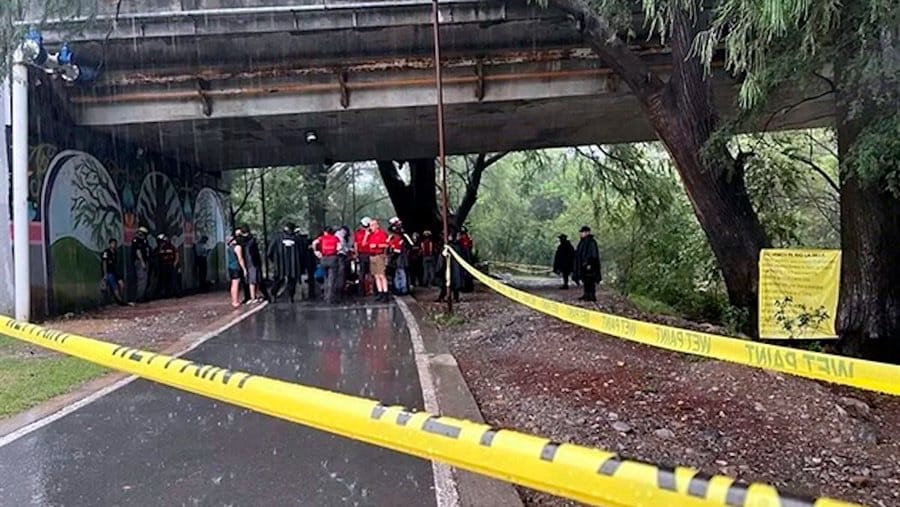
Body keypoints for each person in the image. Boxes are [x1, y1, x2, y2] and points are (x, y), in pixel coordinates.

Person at [268, 223, 302, 303]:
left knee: (279, 279)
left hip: (280, 263)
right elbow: (301, 252)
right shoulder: (296, 239)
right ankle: (290, 296)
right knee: (292, 279)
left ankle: (273, 294)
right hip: (293, 264)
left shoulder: (277, 238)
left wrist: (274, 261)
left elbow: (270, 251)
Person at [312, 226, 341, 303]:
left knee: (325, 278)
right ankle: (330, 298)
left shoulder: (321, 238)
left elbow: (314, 243)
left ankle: (325, 296)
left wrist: (316, 252)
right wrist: (336, 252)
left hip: (324, 259)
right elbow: (339, 248)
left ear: (325, 232)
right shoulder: (335, 238)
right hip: (333, 258)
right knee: (332, 279)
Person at [237, 226, 264, 303]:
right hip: (253, 261)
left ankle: (252, 297)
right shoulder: (252, 240)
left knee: (251, 280)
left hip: (247, 261)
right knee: (254, 280)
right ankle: (253, 297)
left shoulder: (241, 241)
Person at [365, 219, 390, 302]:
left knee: (382, 275)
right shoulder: (370, 235)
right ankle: (380, 292)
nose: (371, 227)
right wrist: (366, 235)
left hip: (379, 255)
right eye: (370, 225)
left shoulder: (382, 234)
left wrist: (376, 245)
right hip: (372, 256)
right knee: (376, 275)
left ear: (377, 226)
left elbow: (386, 244)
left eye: (372, 225)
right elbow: (364, 244)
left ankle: (385, 293)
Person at [574, 225, 601, 302]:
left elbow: (593, 254)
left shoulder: (591, 242)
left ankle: (591, 295)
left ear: (587, 232)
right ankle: (586, 294)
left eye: (583, 232)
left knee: (590, 280)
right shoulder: (583, 242)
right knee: (585, 280)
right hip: (583, 264)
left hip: (590, 265)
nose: (581, 234)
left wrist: (589, 263)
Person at [436, 233, 463, 303]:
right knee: (447, 283)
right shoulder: (448, 246)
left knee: (451, 283)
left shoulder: (454, 247)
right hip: (447, 268)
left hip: (452, 268)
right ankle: (445, 297)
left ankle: (453, 298)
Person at [101, 238, 128, 306]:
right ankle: (120, 301)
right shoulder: (106, 252)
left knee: (121, 284)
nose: (114, 245)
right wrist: (105, 274)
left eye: (115, 244)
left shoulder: (115, 253)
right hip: (109, 273)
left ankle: (120, 298)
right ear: (110, 244)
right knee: (114, 287)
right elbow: (104, 263)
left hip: (114, 272)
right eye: (112, 244)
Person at [156, 233, 181, 299]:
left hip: (171, 265)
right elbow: (157, 256)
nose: (161, 243)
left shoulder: (171, 246)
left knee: (173, 280)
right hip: (163, 266)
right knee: (165, 280)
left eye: (161, 241)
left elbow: (177, 254)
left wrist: (175, 263)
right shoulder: (159, 248)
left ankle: (177, 293)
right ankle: (167, 294)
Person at [131, 226, 151, 302]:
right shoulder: (136, 240)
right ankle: (139, 297)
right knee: (142, 279)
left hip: (145, 261)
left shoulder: (144, 241)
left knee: (145, 279)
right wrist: (142, 262)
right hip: (140, 262)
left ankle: (143, 295)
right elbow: (138, 252)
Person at [354, 217, 372, 296]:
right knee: (369, 273)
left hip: (362, 254)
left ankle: (361, 291)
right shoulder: (370, 233)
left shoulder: (357, 233)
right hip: (368, 254)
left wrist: (356, 254)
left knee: (362, 273)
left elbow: (355, 245)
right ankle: (370, 290)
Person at [227, 235, 246, 309]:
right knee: (236, 284)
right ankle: (235, 301)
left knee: (233, 283)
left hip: (231, 267)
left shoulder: (229, 248)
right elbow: (240, 259)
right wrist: (244, 269)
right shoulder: (237, 247)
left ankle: (234, 300)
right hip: (236, 267)